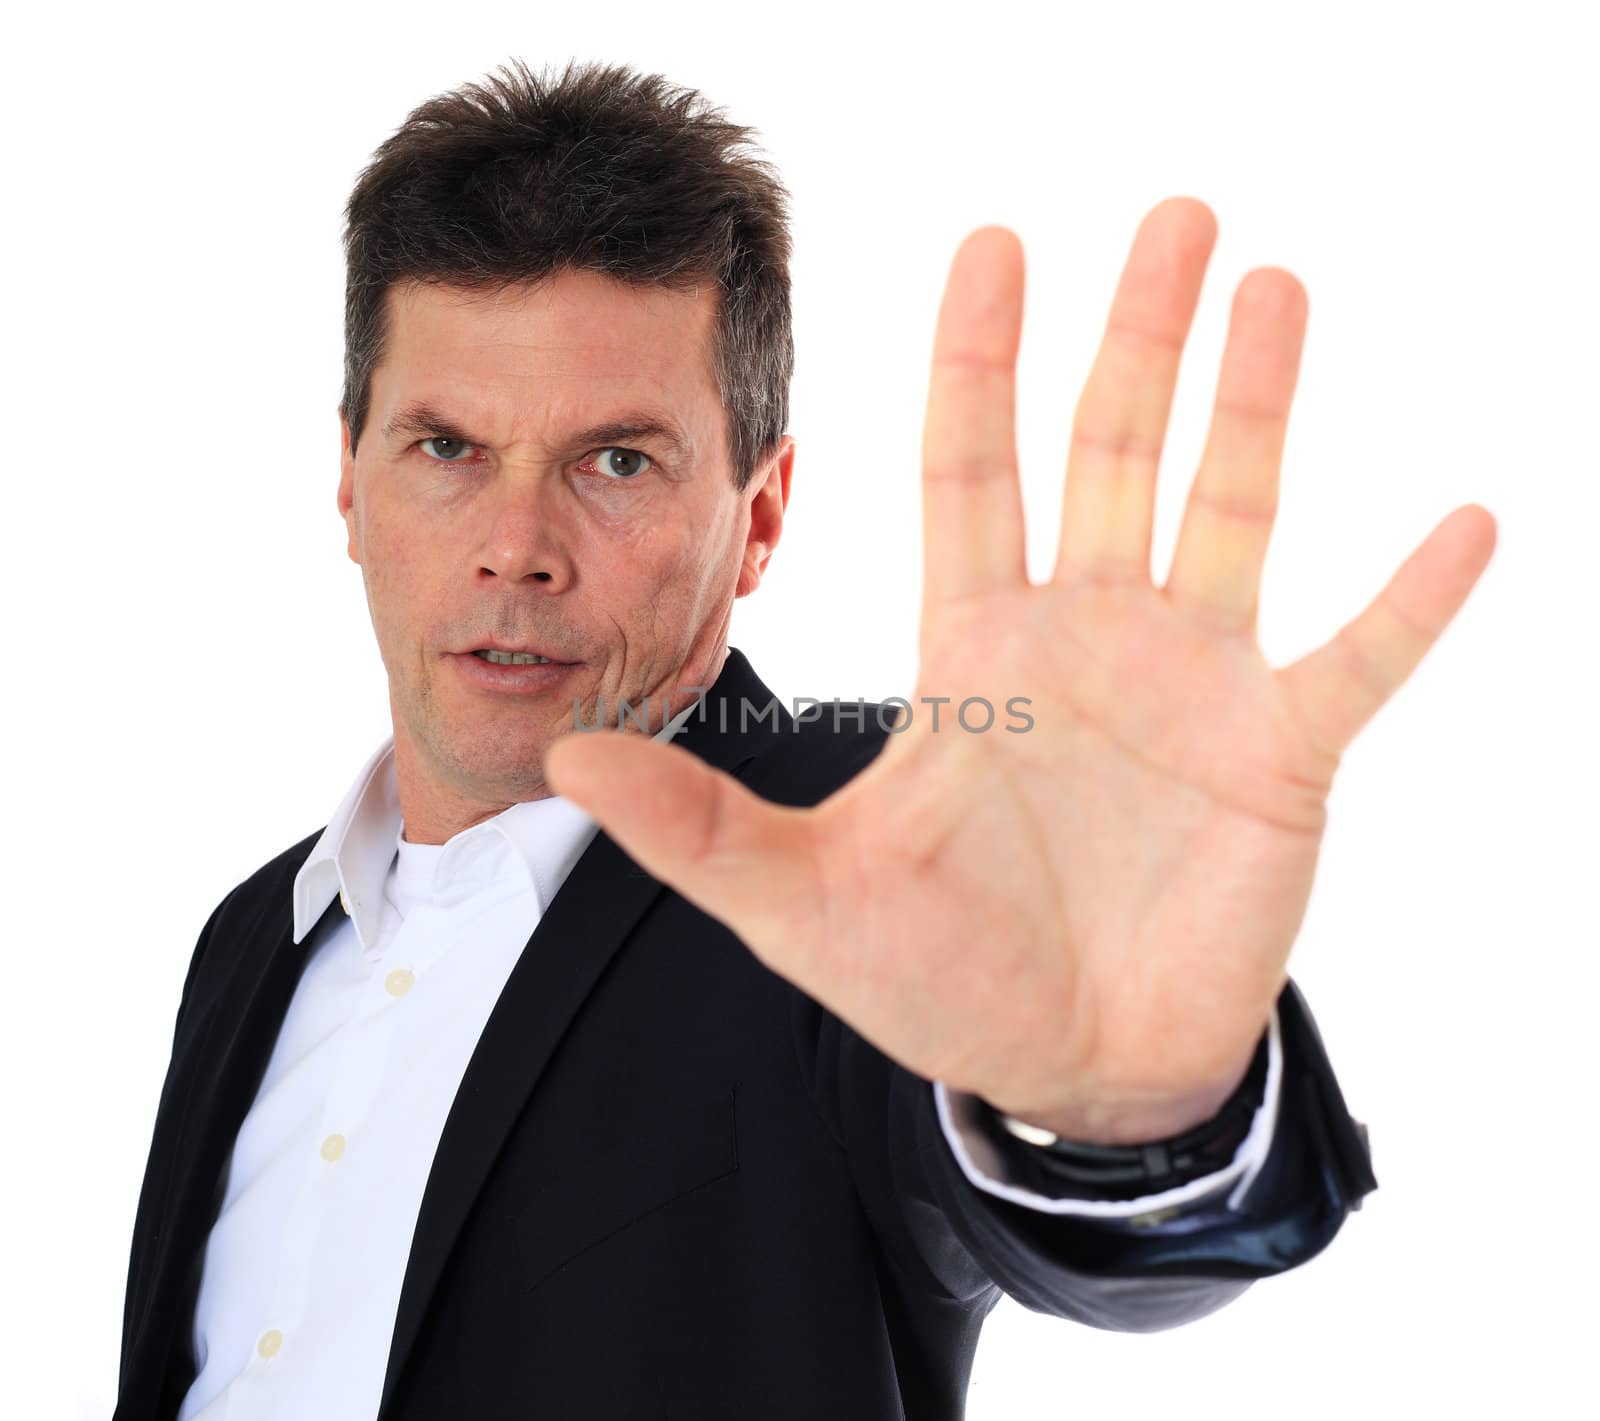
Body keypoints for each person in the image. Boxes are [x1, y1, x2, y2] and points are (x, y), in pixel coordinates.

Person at [113, 56, 1494, 1421]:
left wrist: (1138, 1104)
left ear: (759, 516)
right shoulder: (248, 945)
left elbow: (1087, 1227)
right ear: (348, 481)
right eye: (447, 449)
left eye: (617, 461)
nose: (516, 551)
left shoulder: (870, 847)